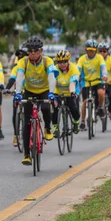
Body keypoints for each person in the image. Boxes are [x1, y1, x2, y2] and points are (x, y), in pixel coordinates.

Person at [14, 36, 58, 165]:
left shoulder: (47, 61)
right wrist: (17, 93)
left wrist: (51, 93)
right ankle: (27, 154)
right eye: (30, 50)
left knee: (45, 108)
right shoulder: (24, 62)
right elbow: (19, 77)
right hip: (29, 91)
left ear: (41, 51)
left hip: (44, 90)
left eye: (35, 50)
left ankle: (48, 128)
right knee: (27, 123)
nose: (32, 53)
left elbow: (51, 77)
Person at [77, 39, 108, 130]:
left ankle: (100, 108)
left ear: (95, 50)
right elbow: (77, 69)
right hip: (86, 82)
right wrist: (76, 77)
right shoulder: (82, 59)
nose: (91, 52)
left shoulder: (99, 57)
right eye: (89, 50)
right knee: (85, 102)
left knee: (101, 93)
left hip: (97, 81)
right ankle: (82, 121)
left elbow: (103, 68)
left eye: (93, 50)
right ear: (86, 50)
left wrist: (105, 75)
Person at [52, 49, 80, 134]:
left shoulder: (74, 68)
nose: (62, 64)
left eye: (64, 62)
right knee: (54, 109)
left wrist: (72, 92)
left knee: (73, 108)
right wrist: (52, 94)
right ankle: (56, 129)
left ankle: (75, 123)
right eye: (60, 62)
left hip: (71, 90)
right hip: (58, 91)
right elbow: (52, 82)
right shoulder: (54, 69)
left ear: (68, 61)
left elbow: (72, 83)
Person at [5, 44, 28, 147]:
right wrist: (7, 88)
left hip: (29, 92)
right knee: (15, 113)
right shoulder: (17, 67)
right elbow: (12, 78)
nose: (21, 59)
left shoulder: (33, 66)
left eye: (23, 56)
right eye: (19, 57)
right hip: (18, 93)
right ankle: (16, 134)